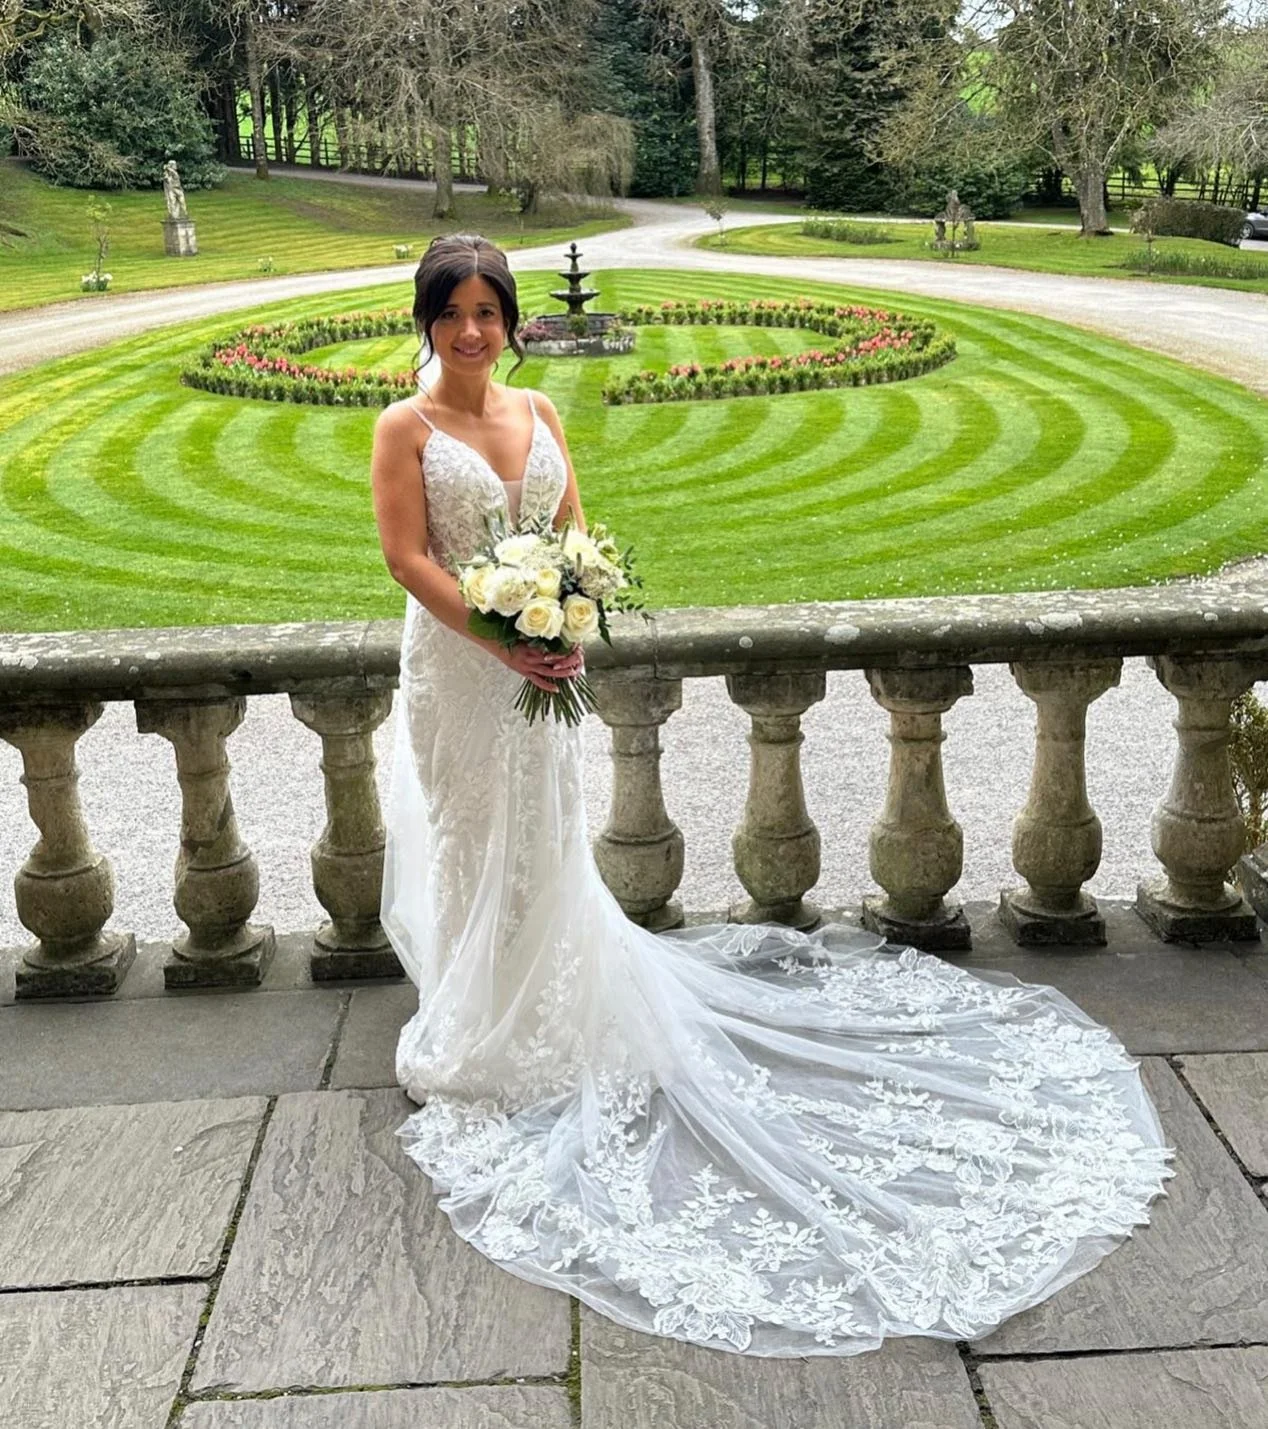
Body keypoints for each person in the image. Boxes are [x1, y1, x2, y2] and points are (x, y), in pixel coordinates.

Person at [370, 232, 1174, 1357]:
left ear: (509, 320)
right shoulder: (402, 428)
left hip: (539, 659)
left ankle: (548, 1005)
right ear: (426, 319)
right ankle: (476, 1024)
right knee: (472, 834)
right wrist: (502, 636)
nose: (469, 331)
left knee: (545, 835)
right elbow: (407, 559)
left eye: (486, 312)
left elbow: (569, 533)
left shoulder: (541, 408)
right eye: (450, 312)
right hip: (461, 670)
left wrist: (567, 608)